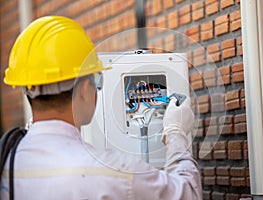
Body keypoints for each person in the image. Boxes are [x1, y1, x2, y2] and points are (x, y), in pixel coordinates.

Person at [0, 16, 202, 199]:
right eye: (97, 80)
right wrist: (176, 133)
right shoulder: (116, 171)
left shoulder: (7, 162)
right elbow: (188, 193)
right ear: (85, 89)